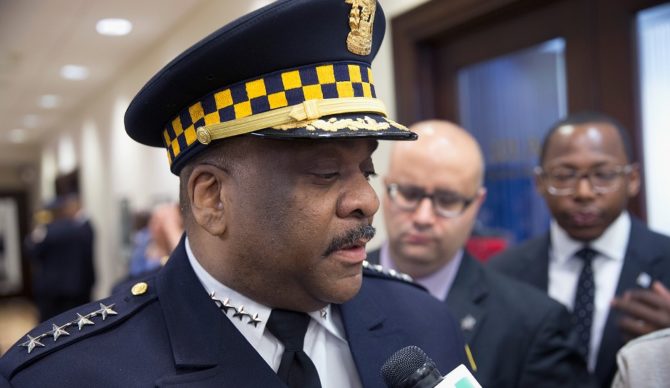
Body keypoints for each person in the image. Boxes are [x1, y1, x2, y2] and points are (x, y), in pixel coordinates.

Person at [0, 1, 469, 387]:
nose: (366, 200)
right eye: (326, 173)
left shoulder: (424, 322)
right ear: (211, 198)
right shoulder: (73, 374)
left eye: (365, 169)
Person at [367, 120, 593, 387]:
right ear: (387, 187)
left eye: (447, 200)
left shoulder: (532, 322)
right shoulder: (335, 290)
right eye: (408, 193)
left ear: (477, 204)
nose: (423, 217)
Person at [488, 111, 670, 388]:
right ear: (539, 182)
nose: (584, 192)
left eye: (603, 175)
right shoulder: (502, 274)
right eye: (564, 175)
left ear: (632, 179)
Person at [24, 194, 95, 322]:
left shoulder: (45, 231)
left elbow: (32, 252)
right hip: (76, 288)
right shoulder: (79, 229)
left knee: (50, 328)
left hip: (51, 291)